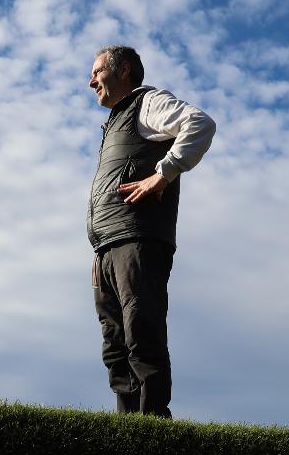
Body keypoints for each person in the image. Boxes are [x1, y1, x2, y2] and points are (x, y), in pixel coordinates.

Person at [86, 45, 215, 418]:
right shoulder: (115, 121)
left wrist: (163, 174)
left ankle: (153, 425)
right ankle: (129, 429)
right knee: (115, 344)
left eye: (97, 71)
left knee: (141, 330)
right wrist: (100, 247)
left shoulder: (147, 103)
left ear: (123, 69)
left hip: (137, 240)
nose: (90, 80)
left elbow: (200, 123)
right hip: (108, 246)